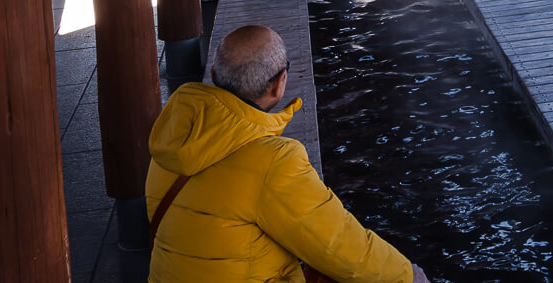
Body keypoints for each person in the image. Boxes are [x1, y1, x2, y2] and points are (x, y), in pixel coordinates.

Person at [146, 25, 430, 283]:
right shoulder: (275, 162)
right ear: (279, 84)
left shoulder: (176, 135)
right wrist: (408, 276)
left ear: (213, 75)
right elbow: (339, 244)